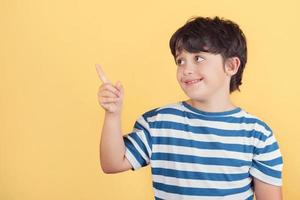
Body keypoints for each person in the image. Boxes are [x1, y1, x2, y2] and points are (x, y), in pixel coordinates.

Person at [97, 16, 283, 200]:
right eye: (180, 61)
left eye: (198, 58)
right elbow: (112, 163)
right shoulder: (159, 122)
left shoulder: (258, 134)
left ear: (231, 65)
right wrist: (113, 115)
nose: (186, 69)